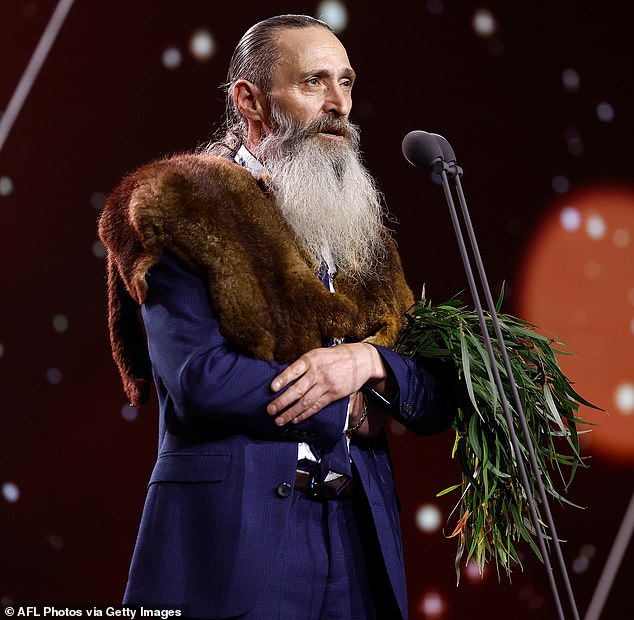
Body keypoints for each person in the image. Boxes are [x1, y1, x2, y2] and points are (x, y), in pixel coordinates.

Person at [99, 14, 455, 620]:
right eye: (314, 82)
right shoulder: (184, 204)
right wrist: (345, 401)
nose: (338, 103)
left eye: (346, 82)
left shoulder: (359, 233)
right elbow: (199, 380)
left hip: (356, 549)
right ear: (250, 99)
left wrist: (367, 361)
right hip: (236, 543)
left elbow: (432, 390)